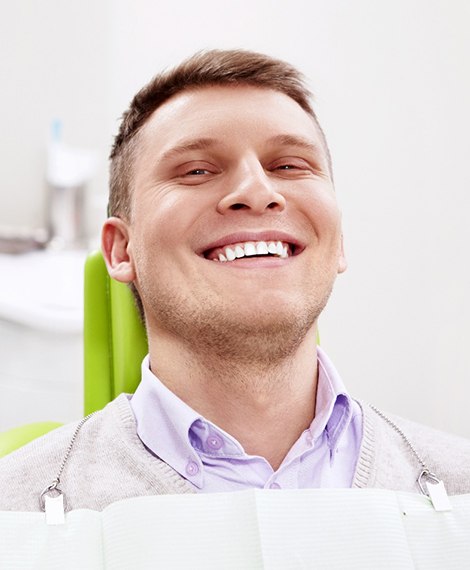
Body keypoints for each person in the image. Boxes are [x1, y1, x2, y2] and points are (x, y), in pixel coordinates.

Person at [1, 49, 469, 512]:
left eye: (288, 166)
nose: (257, 192)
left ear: (339, 239)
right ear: (122, 250)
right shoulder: (16, 513)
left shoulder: (460, 487)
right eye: (197, 170)